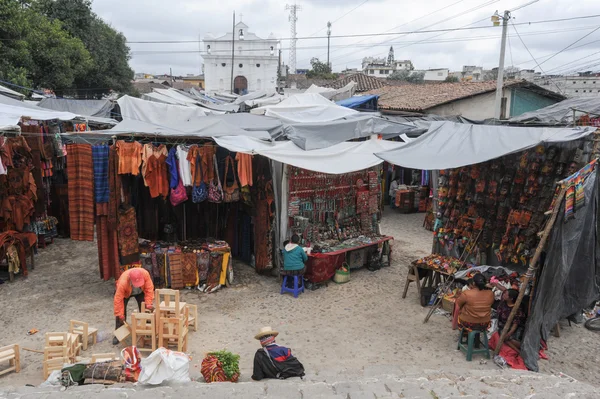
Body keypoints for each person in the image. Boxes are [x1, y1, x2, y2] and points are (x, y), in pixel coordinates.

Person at [113, 268, 155, 345]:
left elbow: (149, 289)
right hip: (126, 293)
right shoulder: (122, 283)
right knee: (120, 316)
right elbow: (118, 300)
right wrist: (120, 314)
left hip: (140, 292)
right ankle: (118, 335)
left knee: (145, 309)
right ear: (130, 280)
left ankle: (147, 330)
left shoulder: (145, 274)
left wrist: (148, 303)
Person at [495, 288, 526, 354]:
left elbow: (515, 324)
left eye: (506, 295)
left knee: (507, 338)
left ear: (511, 299)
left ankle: (521, 349)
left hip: (512, 328)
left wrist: (509, 334)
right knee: (503, 336)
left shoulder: (517, 309)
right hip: (502, 325)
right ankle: (519, 351)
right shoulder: (503, 302)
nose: (504, 295)